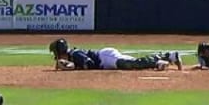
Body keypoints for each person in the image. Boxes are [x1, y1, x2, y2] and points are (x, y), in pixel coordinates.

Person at [49, 38, 181, 71]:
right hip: (106, 59)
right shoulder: (73, 55)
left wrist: (72, 67)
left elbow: (89, 64)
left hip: (105, 57)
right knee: (135, 63)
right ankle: (167, 57)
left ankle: (161, 58)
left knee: (130, 64)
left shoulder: (75, 54)